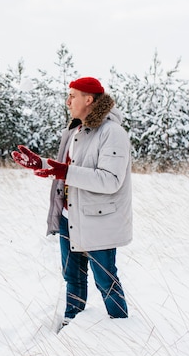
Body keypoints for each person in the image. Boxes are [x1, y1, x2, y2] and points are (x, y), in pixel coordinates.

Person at [12, 76, 132, 329]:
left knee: (105, 281)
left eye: (72, 96)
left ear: (89, 99)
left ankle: (122, 330)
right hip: (70, 218)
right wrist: (43, 164)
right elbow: (69, 169)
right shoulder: (75, 130)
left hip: (99, 220)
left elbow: (110, 180)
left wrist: (63, 172)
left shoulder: (112, 132)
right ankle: (71, 326)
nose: (68, 102)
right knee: (73, 277)